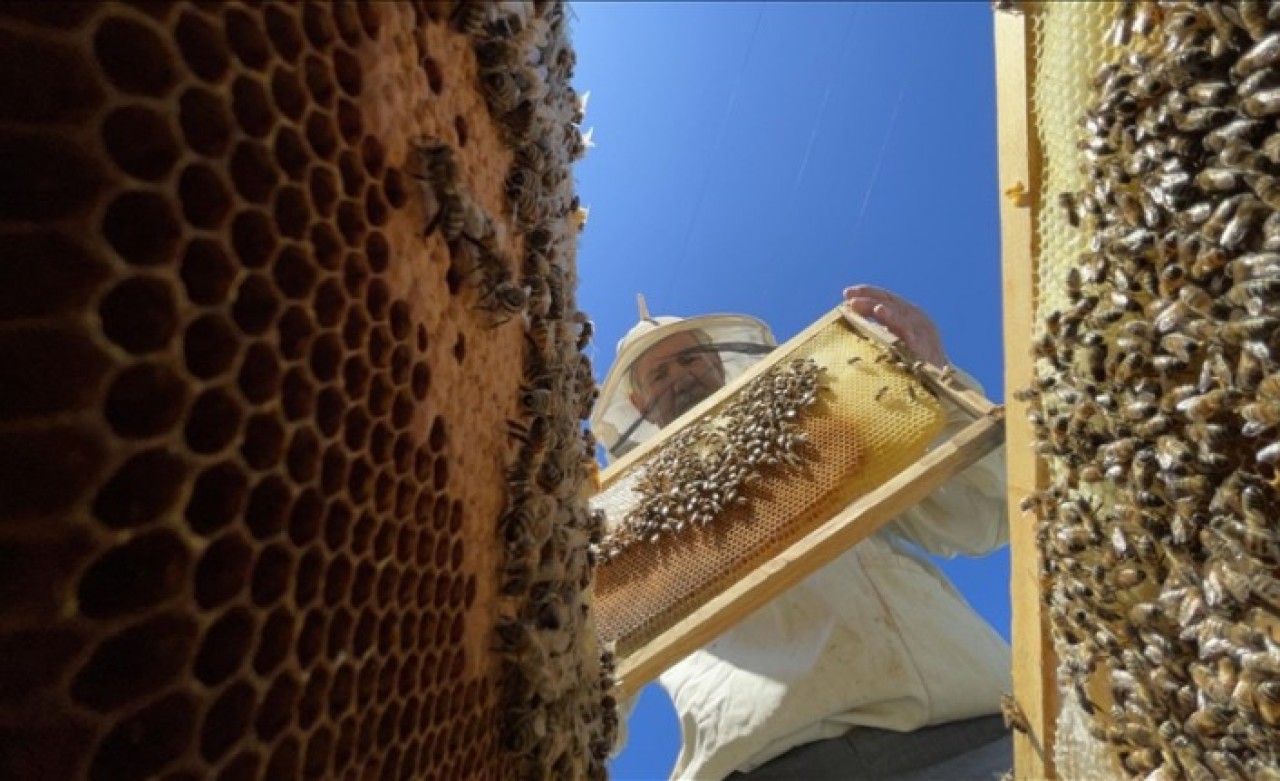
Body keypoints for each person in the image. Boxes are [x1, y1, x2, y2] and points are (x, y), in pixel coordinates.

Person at [590, 286, 1013, 780]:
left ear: (718, 362)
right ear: (639, 401)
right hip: (763, 765)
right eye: (659, 373)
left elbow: (982, 516)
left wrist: (938, 380)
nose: (680, 375)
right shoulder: (624, 519)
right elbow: (582, 682)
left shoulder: (827, 425)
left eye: (690, 358)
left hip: (969, 738)